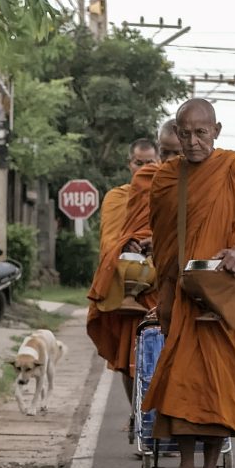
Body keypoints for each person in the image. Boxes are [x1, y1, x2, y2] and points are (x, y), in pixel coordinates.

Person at [124, 98, 235, 468]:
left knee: (219, 384)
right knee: (181, 382)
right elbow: (163, 236)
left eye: (200, 133)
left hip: (224, 294)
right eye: (184, 134)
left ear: (216, 131)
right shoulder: (167, 179)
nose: (192, 142)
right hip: (180, 295)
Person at [85, 135, 162, 384]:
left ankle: (158, 418)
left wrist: (155, 244)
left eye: (150, 162)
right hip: (126, 284)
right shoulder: (116, 198)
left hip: (159, 283)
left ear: (159, 161)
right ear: (130, 164)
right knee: (129, 355)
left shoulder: (167, 196)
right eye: (139, 163)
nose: (145, 168)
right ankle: (135, 416)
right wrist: (124, 243)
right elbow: (108, 240)